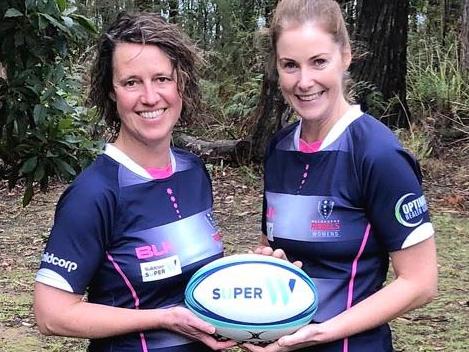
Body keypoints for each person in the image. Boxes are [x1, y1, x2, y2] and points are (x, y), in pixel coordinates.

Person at [33, 12, 236, 352]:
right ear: (111, 93)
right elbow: (51, 314)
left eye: (161, 79)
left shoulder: (193, 171)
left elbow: (198, 282)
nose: (150, 96)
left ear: (180, 83)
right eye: (131, 82)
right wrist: (161, 318)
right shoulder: (94, 193)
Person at [243, 0, 438, 351]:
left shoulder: (378, 154)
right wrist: (270, 267)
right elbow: (271, 248)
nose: (304, 82)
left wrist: (321, 332)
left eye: (319, 62)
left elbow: (421, 282)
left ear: (345, 56)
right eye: (290, 65)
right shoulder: (279, 148)